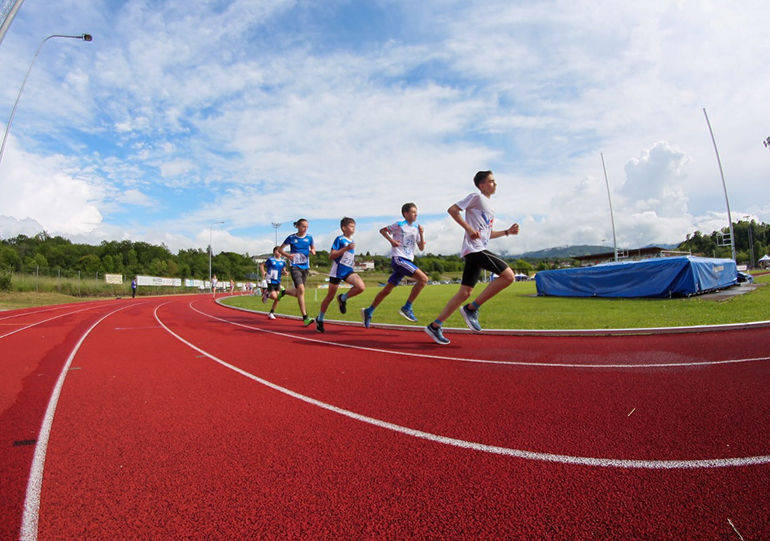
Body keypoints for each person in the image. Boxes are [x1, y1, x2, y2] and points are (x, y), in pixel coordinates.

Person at [425, 170, 519, 345]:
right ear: (482, 185)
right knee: (509, 276)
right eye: (491, 181)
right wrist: (468, 228)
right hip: (474, 249)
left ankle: (435, 326)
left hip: (477, 248)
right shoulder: (476, 197)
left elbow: (486, 234)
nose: (495, 184)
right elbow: (452, 210)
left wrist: (507, 232)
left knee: (465, 292)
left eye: (495, 181)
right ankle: (471, 309)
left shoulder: (490, 207)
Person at [361, 202, 428, 328]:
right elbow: (382, 230)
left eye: (416, 212)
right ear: (405, 213)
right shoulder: (399, 224)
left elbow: (421, 247)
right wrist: (391, 241)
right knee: (423, 279)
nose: (416, 214)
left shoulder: (416, 229)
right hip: (399, 259)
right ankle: (407, 307)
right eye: (413, 212)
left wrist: (422, 233)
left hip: (408, 260)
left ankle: (369, 311)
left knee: (387, 289)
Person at [315, 217, 366, 333]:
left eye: (354, 226)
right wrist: (346, 248)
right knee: (329, 297)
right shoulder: (339, 239)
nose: (354, 228)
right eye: (351, 226)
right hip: (337, 272)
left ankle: (342, 298)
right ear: (344, 228)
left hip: (348, 270)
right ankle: (320, 319)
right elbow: (331, 255)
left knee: (361, 287)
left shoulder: (352, 241)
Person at [279, 218, 316, 327]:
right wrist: (288, 256)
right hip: (295, 266)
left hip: (305, 267)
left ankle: (284, 292)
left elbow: (313, 248)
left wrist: (313, 251)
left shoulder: (309, 238)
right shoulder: (291, 238)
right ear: (298, 226)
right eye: (303, 226)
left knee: (300, 293)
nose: (305, 228)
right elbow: (280, 250)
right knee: (301, 290)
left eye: (307, 227)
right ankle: (305, 317)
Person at [259, 247, 288, 320]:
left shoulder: (283, 262)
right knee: (275, 297)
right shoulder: (270, 260)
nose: (279, 252)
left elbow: (283, 270)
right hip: (270, 280)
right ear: (274, 252)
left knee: (278, 298)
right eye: (277, 251)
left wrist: (285, 272)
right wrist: (263, 272)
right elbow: (262, 265)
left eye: (280, 251)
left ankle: (271, 313)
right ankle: (267, 294)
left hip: (277, 281)